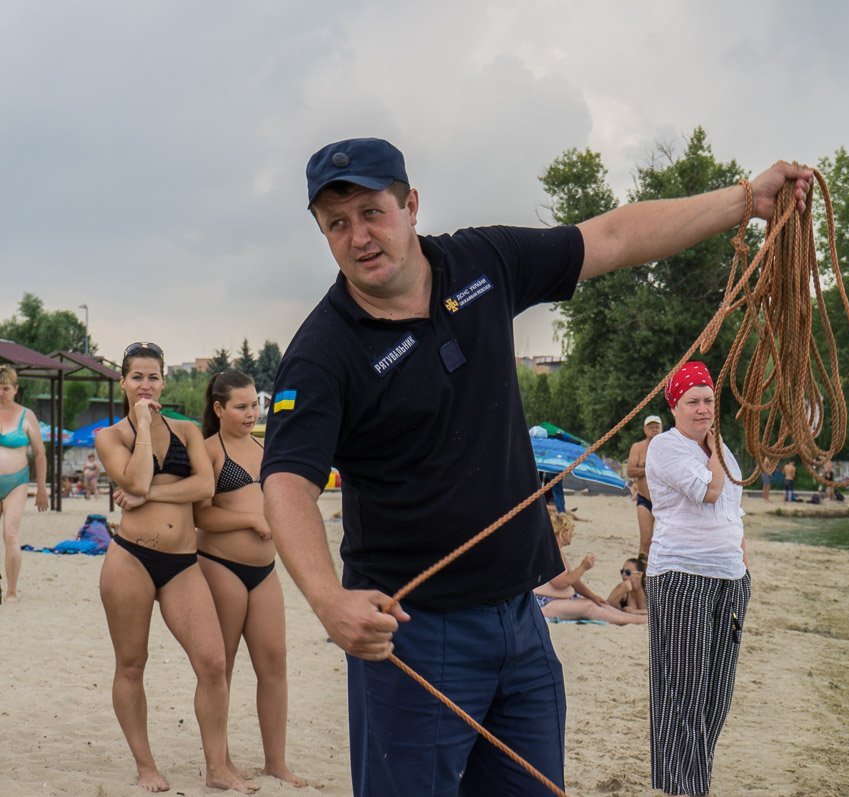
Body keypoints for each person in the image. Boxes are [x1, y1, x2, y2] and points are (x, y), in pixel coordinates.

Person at [259, 136, 812, 796]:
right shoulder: (323, 352)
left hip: (520, 619)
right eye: (336, 224)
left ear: (409, 204)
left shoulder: (481, 262)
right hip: (410, 633)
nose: (359, 237)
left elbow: (611, 236)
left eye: (373, 212)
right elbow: (286, 480)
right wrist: (326, 598)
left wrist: (747, 200)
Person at [94, 343, 256, 795]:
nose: (146, 384)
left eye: (153, 377)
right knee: (131, 664)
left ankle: (217, 768)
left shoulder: (186, 431)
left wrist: (152, 496)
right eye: (137, 377)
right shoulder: (110, 436)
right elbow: (134, 480)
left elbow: (204, 485)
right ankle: (146, 766)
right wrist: (143, 425)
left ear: (164, 381)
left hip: (184, 563)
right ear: (123, 383)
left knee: (212, 661)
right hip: (131, 558)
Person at [194, 371, 306, 787]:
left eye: (254, 405)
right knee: (220, 666)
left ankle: (275, 761)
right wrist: (251, 518)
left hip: (265, 571)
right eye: (241, 406)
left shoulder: (265, 446)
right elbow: (199, 515)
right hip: (220, 565)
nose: (250, 413)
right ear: (219, 409)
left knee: (274, 663)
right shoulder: (208, 451)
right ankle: (218, 763)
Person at [644, 361, 750, 796]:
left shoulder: (722, 451)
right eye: (693, 402)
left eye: (708, 400)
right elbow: (708, 491)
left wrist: (742, 564)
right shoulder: (666, 448)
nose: (703, 409)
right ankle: (683, 789)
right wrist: (714, 449)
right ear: (675, 408)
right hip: (681, 577)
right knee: (682, 692)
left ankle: (696, 783)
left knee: (716, 695)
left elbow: (735, 510)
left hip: (729, 579)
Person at [534, 513, 646, 625]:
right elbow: (561, 583)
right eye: (571, 531)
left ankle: (634, 618)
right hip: (546, 603)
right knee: (590, 607)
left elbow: (574, 582)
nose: (572, 535)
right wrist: (583, 567)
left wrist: (592, 596)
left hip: (559, 599)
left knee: (599, 604)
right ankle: (636, 620)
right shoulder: (551, 552)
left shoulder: (557, 552)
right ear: (563, 533)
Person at [0, 364, 49, 602]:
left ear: (16, 389)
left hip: (16, 482)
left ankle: (11, 590)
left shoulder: (26, 415)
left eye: (6, 388)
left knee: (10, 534)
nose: (1, 393)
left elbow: (40, 454)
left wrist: (42, 489)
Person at [627, 414, 662, 569]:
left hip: (663, 500)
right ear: (645, 429)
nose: (654, 429)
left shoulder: (668, 447)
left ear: (661, 429)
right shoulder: (638, 447)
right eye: (651, 427)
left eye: (656, 426)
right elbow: (630, 470)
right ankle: (640, 573)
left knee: (664, 541)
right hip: (644, 498)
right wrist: (649, 468)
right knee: (646, 540)